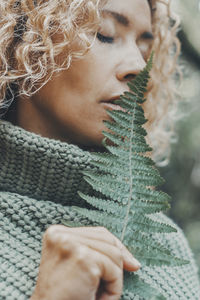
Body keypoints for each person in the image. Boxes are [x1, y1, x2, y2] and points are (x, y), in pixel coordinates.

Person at [0, 0, 199, 299]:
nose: (138, 66)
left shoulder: (165, 245)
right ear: (25, 42)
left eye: (145, 49)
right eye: (104, 34)